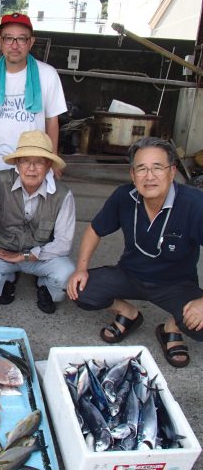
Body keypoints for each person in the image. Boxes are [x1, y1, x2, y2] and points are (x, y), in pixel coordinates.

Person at [67, 137, 203, 368]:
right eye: (142, 168)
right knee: (80, 289)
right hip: (130, 275)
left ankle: (171, 327)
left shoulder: (195, 203)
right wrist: (80, 268)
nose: (149, 176)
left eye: (157, 168)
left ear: (172, 171)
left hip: (176, 283)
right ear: (132, 174)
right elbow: (94, 229)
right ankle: (129, 313)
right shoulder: (124, 196)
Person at [0, 12, 67, 257]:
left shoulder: (47, 75)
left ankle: (32, 265)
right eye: (9, 38)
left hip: (36, 161)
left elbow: (52, 121)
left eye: (21, 39)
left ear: (31, 42)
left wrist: (53, 160)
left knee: (37, 219)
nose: (14, 45)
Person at [0, 130, 75, 313]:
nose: (31, 168)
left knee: (68, 276)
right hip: (3, 250)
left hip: (40, 255)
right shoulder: (0, 180)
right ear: (17, 163)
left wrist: (26, 256)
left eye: (39, 161)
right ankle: (6, 281)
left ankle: (44, 284)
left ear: (48, 165)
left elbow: (64, 244)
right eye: (25, 160)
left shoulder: (63, 195)